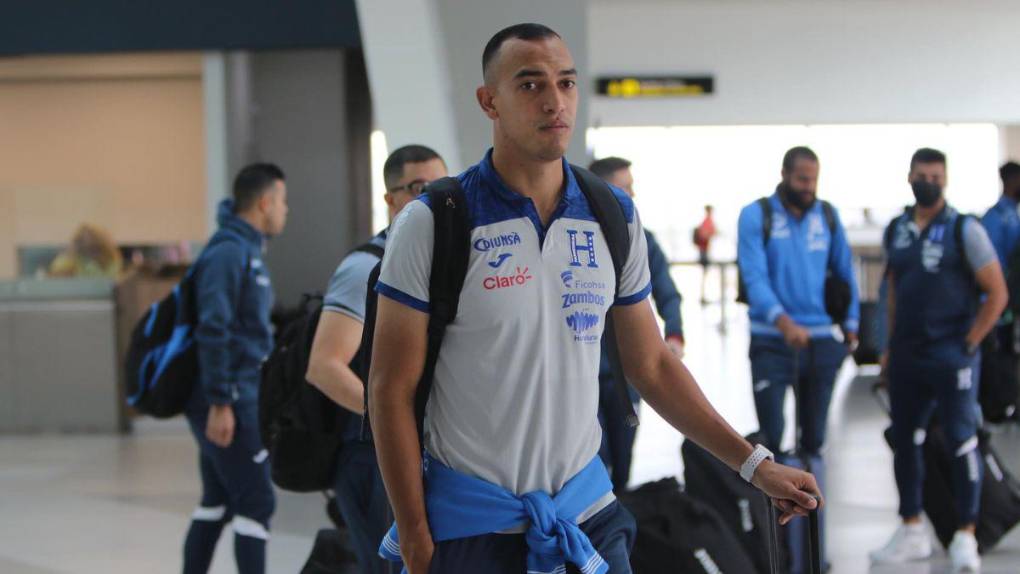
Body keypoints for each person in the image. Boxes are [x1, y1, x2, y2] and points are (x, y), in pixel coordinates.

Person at [369, 23, 822, 574]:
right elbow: (390, 389)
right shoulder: (434, 223)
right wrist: (415, 536)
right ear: (489, 101)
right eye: (530, 85)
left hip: (587, 518)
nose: (554, 102)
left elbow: (651, 365)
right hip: (471, 528)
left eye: (565, 83)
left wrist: (754, 465)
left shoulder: (612, 216)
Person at [305, 145, 447, 574]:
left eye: (441, 187)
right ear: (391, 199)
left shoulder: (432, 258)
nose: (433, 198)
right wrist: (392, 420)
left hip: (416, 452)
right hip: (370, 456)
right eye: (420, 187)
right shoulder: (365, 267)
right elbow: (324, 366)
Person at [870, 148, 1007, 573]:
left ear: (945, 180)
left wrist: (970, 341)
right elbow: (892, 290)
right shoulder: (897, 230)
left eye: (936, 175)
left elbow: (997, 293)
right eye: (922, 174)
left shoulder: (965, 229)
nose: (928, 181)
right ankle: (912, 529)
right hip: (909, 355)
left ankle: (966, 534)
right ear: (909, 176)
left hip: (953, 355)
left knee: (962, 439)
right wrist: (889, 346)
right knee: (906, 440)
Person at [736, 146, 860, 569]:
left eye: (814, 180)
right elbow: (754, 276)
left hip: (822, 342)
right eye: (802, 179)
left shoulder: (827, 216)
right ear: (785, 174)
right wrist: (782, 321)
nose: (809, 187)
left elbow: (846, 271)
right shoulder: (756, 215)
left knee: (814, 446)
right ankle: (775, 553)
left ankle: (811, 552)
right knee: (769, 446)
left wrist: (853, 323)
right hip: (772, 341)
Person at [182, 163, 289, 574]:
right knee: (256, 501)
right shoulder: (230, 252)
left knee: (217, 498)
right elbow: (214, 328)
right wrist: (220, 401)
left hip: (237, 391)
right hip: (231, 397)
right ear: (264, 203)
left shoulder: (245, 250)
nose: (285, 210)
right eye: (282, 201)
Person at [588, 156, 684, 493]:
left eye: (632, 188)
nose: (632, 196)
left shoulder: (642, 240)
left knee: (622, 464)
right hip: (581, 378)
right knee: (593, 460)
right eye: (625, 188)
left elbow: (668, 293)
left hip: (626, 377)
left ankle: (619, 528)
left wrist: (674, 334)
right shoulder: (574, 240)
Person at [48, 223, 123, 278]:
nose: (92, 254)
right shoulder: (69, 259)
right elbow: (54, 277)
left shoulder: (112, 260)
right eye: (88, 249)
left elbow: (115, 281)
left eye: (95, 249)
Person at [694, 205, 716, 304]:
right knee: (704, 274)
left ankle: (703, 296)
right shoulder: (707, 221)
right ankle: (703, 296)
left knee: (705, 275)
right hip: (704, 251)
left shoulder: (705, 221)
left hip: (704, 250)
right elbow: (705, 235)